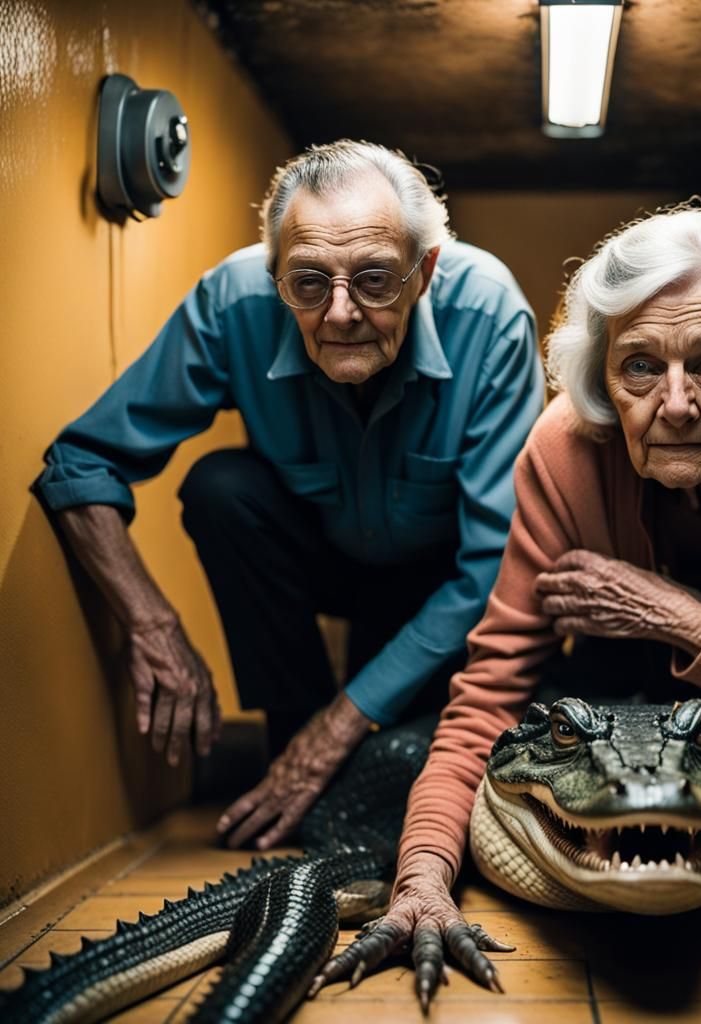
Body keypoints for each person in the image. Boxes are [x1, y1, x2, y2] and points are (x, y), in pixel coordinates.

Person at [343, 205, 701, 1002]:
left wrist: (675, 615)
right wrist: (421, 877)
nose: (674, 403)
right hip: (611, 752)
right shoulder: (563, 448)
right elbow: (489, 699)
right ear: (602, 375)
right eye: (639, 367)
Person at [34, 139, 544, 850]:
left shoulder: (490, 315)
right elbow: (80, 461)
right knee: (221, 488)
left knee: (412, 759)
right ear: (276, 274)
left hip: (446, 583)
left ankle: (322, 752)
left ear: (424, 272)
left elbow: (497, 564)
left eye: (374, 279)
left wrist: (345, 722)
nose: (339, 314)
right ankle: (293, 755)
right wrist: (151, 625)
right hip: (321, 557)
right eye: (307, 283)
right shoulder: (233, 301)